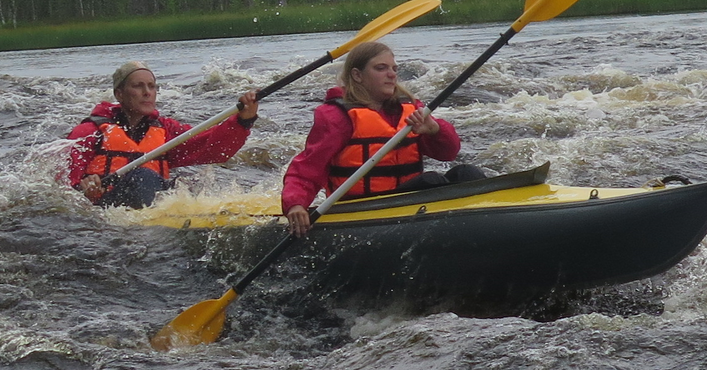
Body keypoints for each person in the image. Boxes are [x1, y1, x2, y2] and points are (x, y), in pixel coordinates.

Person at [281, 41, 484, 237]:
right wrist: (296, 204)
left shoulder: (411, 108)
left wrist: (434, 129)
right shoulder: (337, 117)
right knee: (432, 181)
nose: (392, 74)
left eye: (394, 69)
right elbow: (308, 168)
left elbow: (448, 153)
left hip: (408, 203)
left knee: (467, 173)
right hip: (364, 210)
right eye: (381, 68)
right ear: (357, 75)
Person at [65, 60, 259, 208]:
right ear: (119, 94)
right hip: (107, 207)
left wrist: (243, 120)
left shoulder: (166, 130)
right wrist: (85, 187)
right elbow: (64, 184)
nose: (147, 92)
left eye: (151, 86)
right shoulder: (89, 132)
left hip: (153, 203)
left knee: (189, 185)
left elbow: (213, 149)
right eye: (138, 86)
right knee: (142, 176)